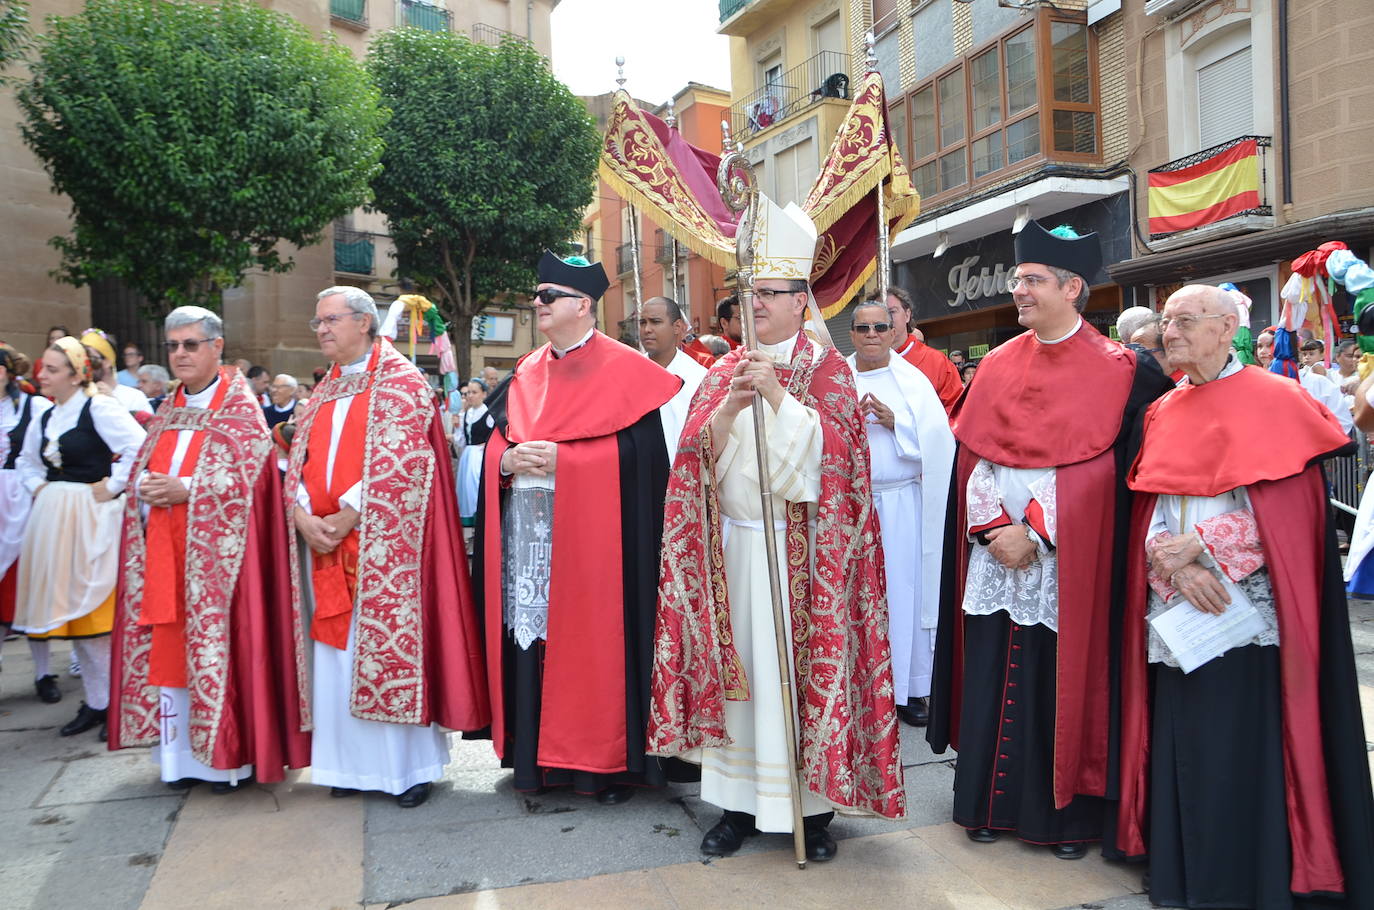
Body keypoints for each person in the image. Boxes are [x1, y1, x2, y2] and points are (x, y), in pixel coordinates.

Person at [649, 197, 905, 863]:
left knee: (794, 680)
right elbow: (694, 467)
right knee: (741, 684)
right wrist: (730, 410)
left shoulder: (827, 370)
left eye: (768, 293)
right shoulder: (719, 372)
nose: (754, 304)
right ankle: (734, 807)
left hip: (803, 562)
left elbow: (839, 467)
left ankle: (811, 814)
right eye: (748, 293)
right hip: (734, 549)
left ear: (800, 301)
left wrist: (778, 397)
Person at [1114, 284, 1374, 908]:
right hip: (1179, 600)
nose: (1167, 332)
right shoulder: (1163, 409)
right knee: (1181, 735)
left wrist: (1205, 548)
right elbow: (1155, 503)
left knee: (1244, 742)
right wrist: (1173, 564)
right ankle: (1187, 872)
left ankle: (1250, 874)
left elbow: (1292, 519)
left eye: (1182, 321)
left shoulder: (1277, 400)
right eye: (1164, 322)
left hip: (1250, 610)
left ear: (1228, 326)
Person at [927, 220, 1172, 859]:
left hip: (1071, 563)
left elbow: (1123, 474)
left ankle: (1067, 820)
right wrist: (992, 530)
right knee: (992, 676)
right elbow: (974, 457)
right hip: (995, 555)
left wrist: (1037, 532)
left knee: (1060, 686)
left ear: (1072, 287)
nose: (1019, 291)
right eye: (1017, 280)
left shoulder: (1127, 371)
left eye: (1031, 280)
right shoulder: (1001, 362)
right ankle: (985, 805)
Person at [474, 251, 680, 804]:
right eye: (537, 294)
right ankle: (531, 758)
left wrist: (571, 464)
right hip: (530, 537)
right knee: (532, 638)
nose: (535, 303)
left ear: (582, 305)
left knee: (595, 643)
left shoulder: (628, 370)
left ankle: (603, 766)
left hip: (598, 545)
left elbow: (644, 464)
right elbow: (496, 440)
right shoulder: (526, 369)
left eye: (547, 296)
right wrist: (505, 463)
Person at [285, 286, 489, 808]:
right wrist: (304, 513)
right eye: (318, 322)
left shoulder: (399, 383)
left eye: (331, 320)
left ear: (363, 323)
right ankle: (347, 766)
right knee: (337, 660)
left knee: (389, 652)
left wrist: (347, 513)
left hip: (383, 547)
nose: (323, 329)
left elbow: (404, 462)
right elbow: (300, 462)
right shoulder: (322, 393)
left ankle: (406, 770)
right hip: (326, 544)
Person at [108, 306, 310, 792]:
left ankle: (227, 759)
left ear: (217, 348)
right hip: (165, 553)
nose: (180, 354)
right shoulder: (168, 410)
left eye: (190, 344)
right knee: (170, 653)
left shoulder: (240, 411)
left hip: (221, 568)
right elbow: (142, 470)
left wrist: (188, 489)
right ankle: (179, 758)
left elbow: (252, 485)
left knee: (218, 654)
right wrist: (146, 488)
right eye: (173, 345)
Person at [14, 338, 146, 738]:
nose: (42, 375)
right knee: (74, 619)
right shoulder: (45, 417)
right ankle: (97, 701)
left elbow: (140, 447)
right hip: (55, 520)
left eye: (52, 370)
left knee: (96, 617)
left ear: (76, 374)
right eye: (43, 368)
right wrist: (39, 488)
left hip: (91, 519)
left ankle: (114, 704)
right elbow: (26, 461)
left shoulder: (99, 407)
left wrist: (115, 486)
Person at [846, 302, 954, 729]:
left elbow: (940, 443)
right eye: (862, 328)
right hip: (854, 508)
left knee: (903, 596)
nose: (871, 334)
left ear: (894, 332)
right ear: (851, 334)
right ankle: (858, 688)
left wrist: (897, 425)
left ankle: (908, 688)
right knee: (859, 597)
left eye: (879, 327)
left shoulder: (914, 382)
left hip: (905, 507)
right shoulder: (837, 379)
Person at [0, 344, 53, 698]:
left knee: (30, 588)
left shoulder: (35, 406)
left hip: (23, 501)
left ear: (8, 371)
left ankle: (44, 673)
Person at [639, 295, 709, 462]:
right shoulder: (628, 373)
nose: (647, 329)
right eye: (643, 322)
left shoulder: (698, 377)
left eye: (655, 322)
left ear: (677, 326)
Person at [875, 287, 963, 414]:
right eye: (878, 313)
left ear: (907, 315)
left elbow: (955, 412)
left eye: (892, 312)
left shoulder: (936, 362)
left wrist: (902, 423)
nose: (885, 319)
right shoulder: (859, 366)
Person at [1257, 329, 1353, 433]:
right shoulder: (1255, 384)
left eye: (1270, 345)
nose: (1263, 351)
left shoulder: (1318, 383)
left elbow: (1342, 423)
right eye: (1260, 346)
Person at [81, 329, 153, 418]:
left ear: (107, 362)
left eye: (90, 358)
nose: (84, 364)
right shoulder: (78, 396)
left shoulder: (134, 397)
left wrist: (114, 403)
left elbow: (149, 430)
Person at [454, 378, 490, 528]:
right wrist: (456, 426)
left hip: (480, 455)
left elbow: (497, 434)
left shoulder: (489, 413)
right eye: (468, 392)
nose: (470, 395)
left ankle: (480, 519)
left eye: (474, 392)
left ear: (484, 394)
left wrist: (488, 444)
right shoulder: (466, 414)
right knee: (465, 490)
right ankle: (470, 524)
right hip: (468, 455)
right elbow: (460, 441)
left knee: (476, 486)